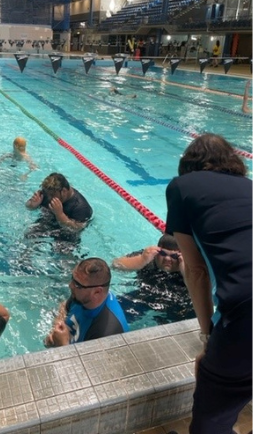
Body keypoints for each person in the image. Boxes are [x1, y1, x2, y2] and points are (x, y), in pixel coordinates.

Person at [165, 133, 251, 433]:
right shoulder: (250, 187)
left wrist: (207, 337)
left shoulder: (182, 187)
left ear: (188, 165)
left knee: (212, 414)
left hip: (246, 315)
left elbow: (196, 270)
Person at [45, 258, 128, 347]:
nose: (70, 285)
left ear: (97, 292)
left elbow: (83, 361)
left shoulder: (108, 333)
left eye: (77, 284)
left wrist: (62, 345)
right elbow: (64, 306)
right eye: (73, 279)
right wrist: (58, 325)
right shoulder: (81, 297)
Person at [112, 234, 193, 324]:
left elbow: (203, 291)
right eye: (163, 253)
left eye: (174, 256)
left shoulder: (190, 265)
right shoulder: (149, 256)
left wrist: (187, 273)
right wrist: (141, 260)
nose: (167, 259)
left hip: (178, 305)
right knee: (114, 315)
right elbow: (116, 265)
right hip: (145, 297)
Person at [25, 173, 93, 236]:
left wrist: (60, 214)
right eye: (47, 194)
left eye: (52, 195)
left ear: (64, 191)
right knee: (29, 236)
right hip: (46, 222)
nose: (49, 198)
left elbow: (76, 228)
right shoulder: (47, 192)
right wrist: (32, 205)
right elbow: (28, 206)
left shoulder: (81, 207)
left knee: (62, 247)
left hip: (66, 233)